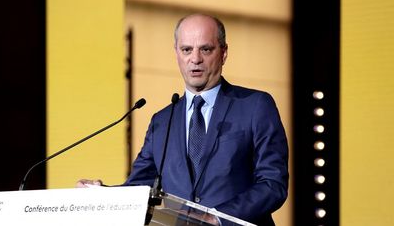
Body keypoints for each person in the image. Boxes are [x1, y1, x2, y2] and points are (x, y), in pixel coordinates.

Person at [78, 13, 289, 226]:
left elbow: (273, 184)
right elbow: (139, 187)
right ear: (177, 54)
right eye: (186, 50)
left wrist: (217, 217)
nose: (195, 59)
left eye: (205, 49)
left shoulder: (255, 106)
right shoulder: (162, 121)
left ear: (223, 53)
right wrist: (102, 195)